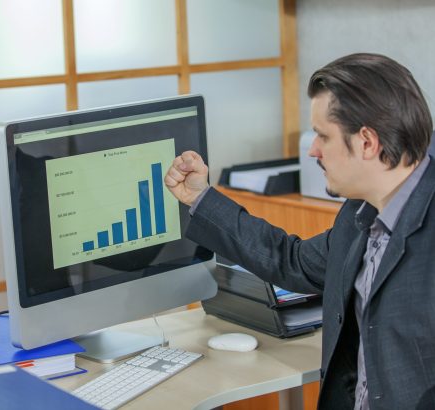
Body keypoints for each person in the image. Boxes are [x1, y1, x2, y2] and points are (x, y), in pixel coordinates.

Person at [164, 53, 435, 410]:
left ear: (367, 142)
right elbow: (292, 261)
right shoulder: (362, 210)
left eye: (323, 136)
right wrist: (201, 198)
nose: (312, 150)